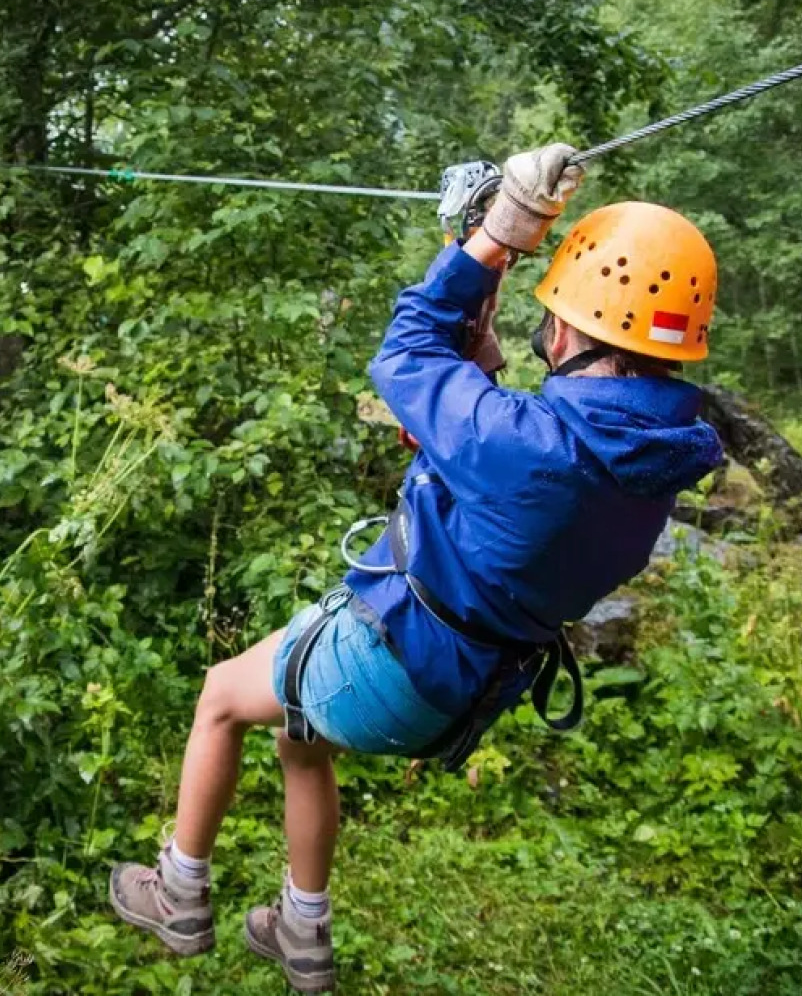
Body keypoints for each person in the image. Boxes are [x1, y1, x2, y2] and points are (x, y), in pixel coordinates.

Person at [106, 144, 726, 993]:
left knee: (220, 695)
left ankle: (177, 892)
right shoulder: (649, 466)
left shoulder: (524, 445)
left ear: (570, 327)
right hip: (468, 691)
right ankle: (303, 931)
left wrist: (496, 239)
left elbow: (405, 353)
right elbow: (484, 412)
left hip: (393, 664)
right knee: (297, 736)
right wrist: (481, 253)